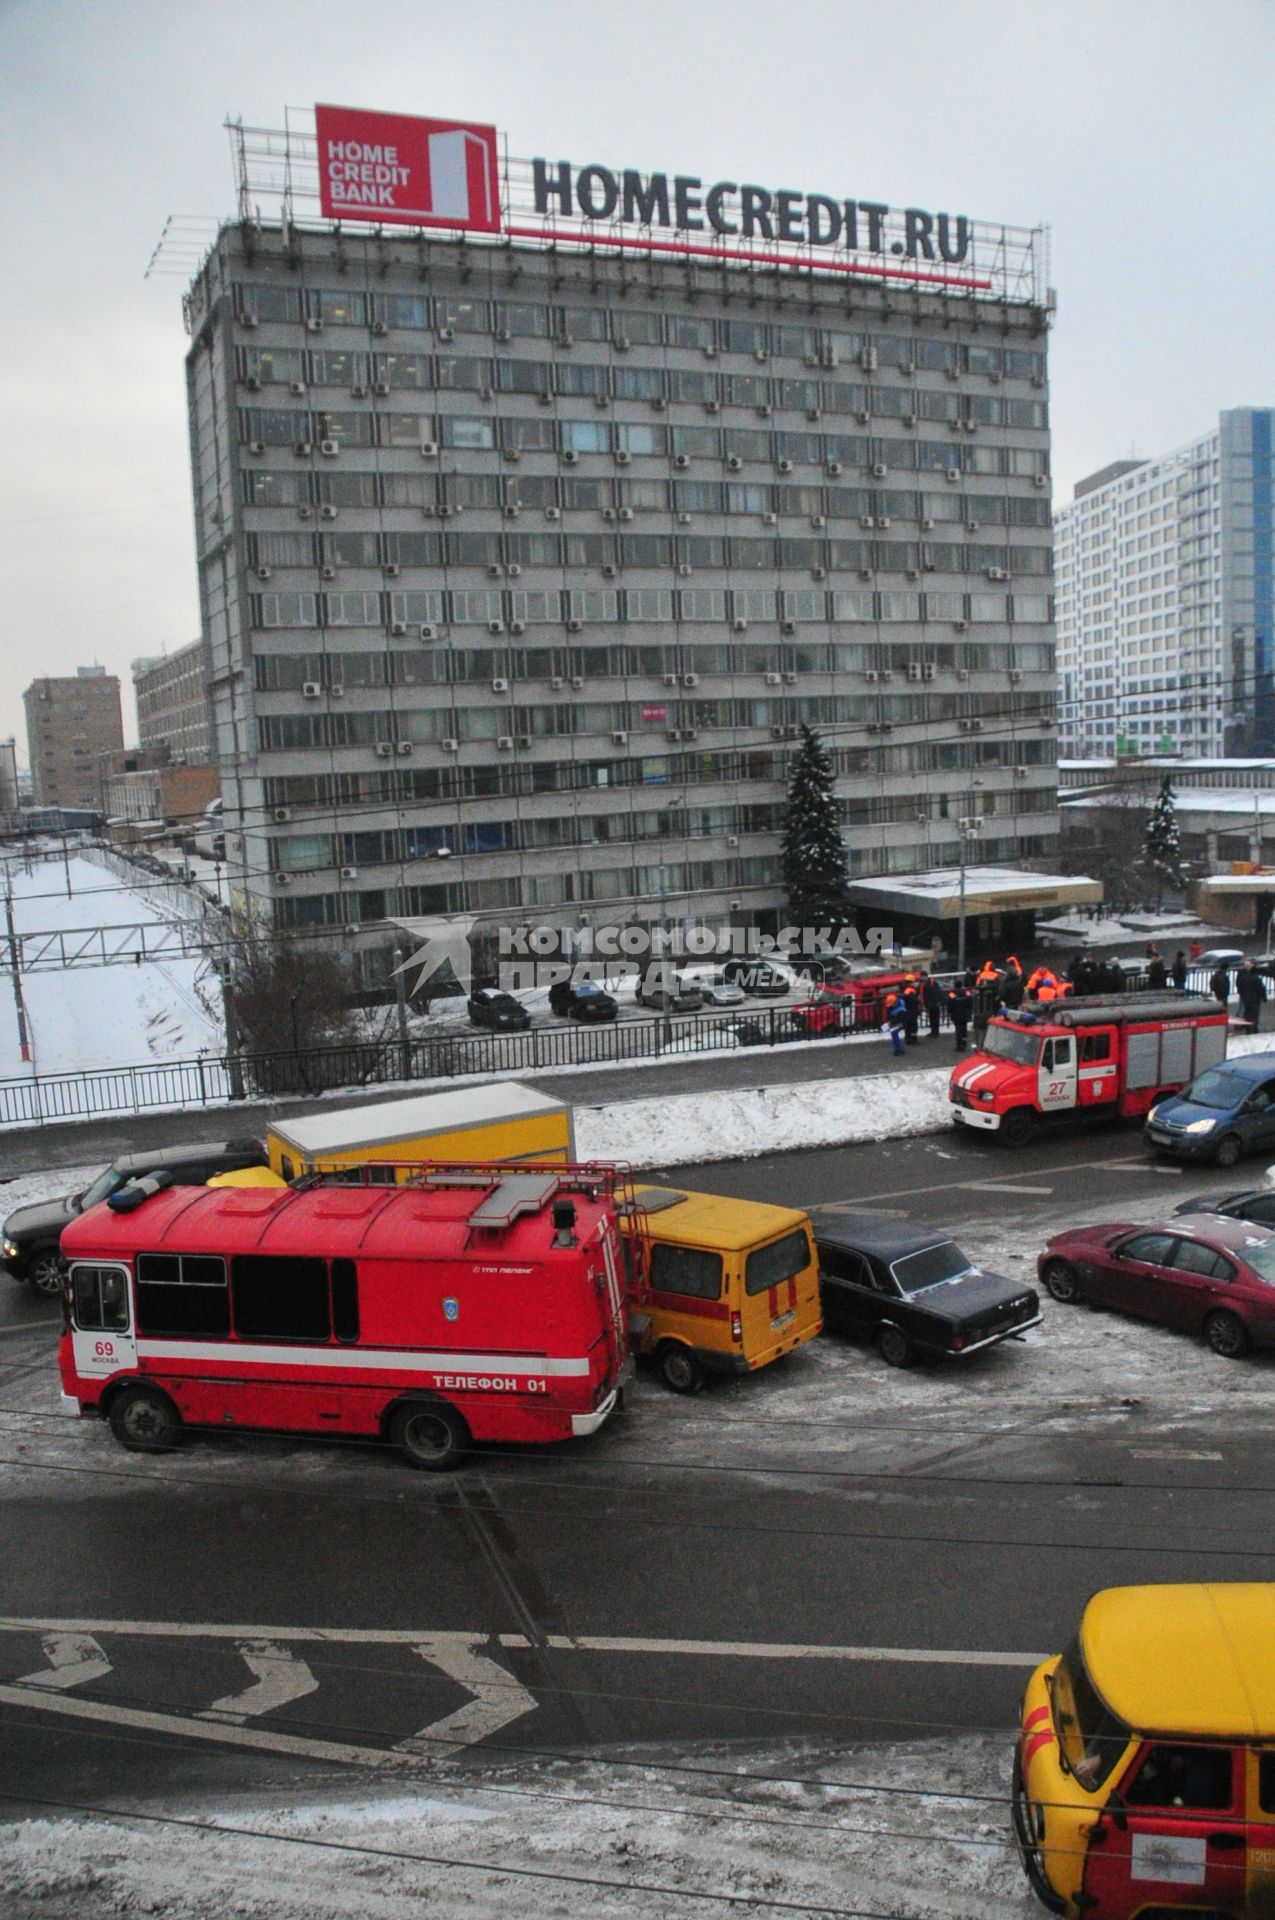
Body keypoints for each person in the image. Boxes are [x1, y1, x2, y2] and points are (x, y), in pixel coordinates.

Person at [1236, 958, 1266, 1030]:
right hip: (1254, 998)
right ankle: (1254, 1026)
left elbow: (1239, 985)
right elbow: (1260, 987)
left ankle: (1247, 1026)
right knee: (1254, 1013)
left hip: (1246, 997)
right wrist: (1263, 997)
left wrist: (1241, 994)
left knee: (1246, 1012)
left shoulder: (1242, 975)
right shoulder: (1255, 976)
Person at [947, 978, 972, 1051]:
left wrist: (950, 1012)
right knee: (964, 1030)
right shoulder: (967, 992)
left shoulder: (952, 993)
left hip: (956, 1014)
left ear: (954, 986)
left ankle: (959, 1046)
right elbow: (970, 1000)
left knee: (958, 1031)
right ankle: (964, 1045)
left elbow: (950, 1003)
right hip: (965, 1014)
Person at [884, 990, 907, 1056]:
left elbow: (899, 1019)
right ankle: (899, 1049)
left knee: (894, 1033)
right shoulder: (899, 1003)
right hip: (899, 1022)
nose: (890, 1006)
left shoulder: (900, 1010)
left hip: (901, 1022)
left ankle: (898, 1049)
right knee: (894, 1033)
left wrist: (891, 1023)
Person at [922, 971, 943, 1039]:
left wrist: (937, 1001)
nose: (922, 978)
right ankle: (932, 1031)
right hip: (928, 1004)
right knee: (931, 1018)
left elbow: (937, 991)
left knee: (935, 1018)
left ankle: (936, 1032)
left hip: (934, 1003)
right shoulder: (923, 983)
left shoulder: (932, 982)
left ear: (926, 976)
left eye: (923, 976)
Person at [902, 975, 921, 1046]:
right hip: (912, 1010)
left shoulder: (904, 989)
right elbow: (913, 1000)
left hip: (907, 1010)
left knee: (908, 1026)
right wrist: (918, 999)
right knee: (913, 1026)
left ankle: (908, 1039)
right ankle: (914, 1039)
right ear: (911, 982)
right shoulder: (910, 990)